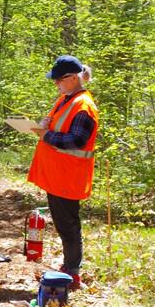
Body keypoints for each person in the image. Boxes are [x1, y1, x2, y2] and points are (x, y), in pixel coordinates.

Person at [27, 55, 99, 290]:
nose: (56, 84)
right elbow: (61, 128)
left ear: (72, 78)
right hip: (58, 176)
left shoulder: (84, 106)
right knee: (63, 224)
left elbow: (76, 140)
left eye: (58, 80)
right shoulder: (66, 99)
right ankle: (69, 268)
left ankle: (72, 273)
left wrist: (45, 135)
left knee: (68, 226)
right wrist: (46, 123)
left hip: (69, 177)